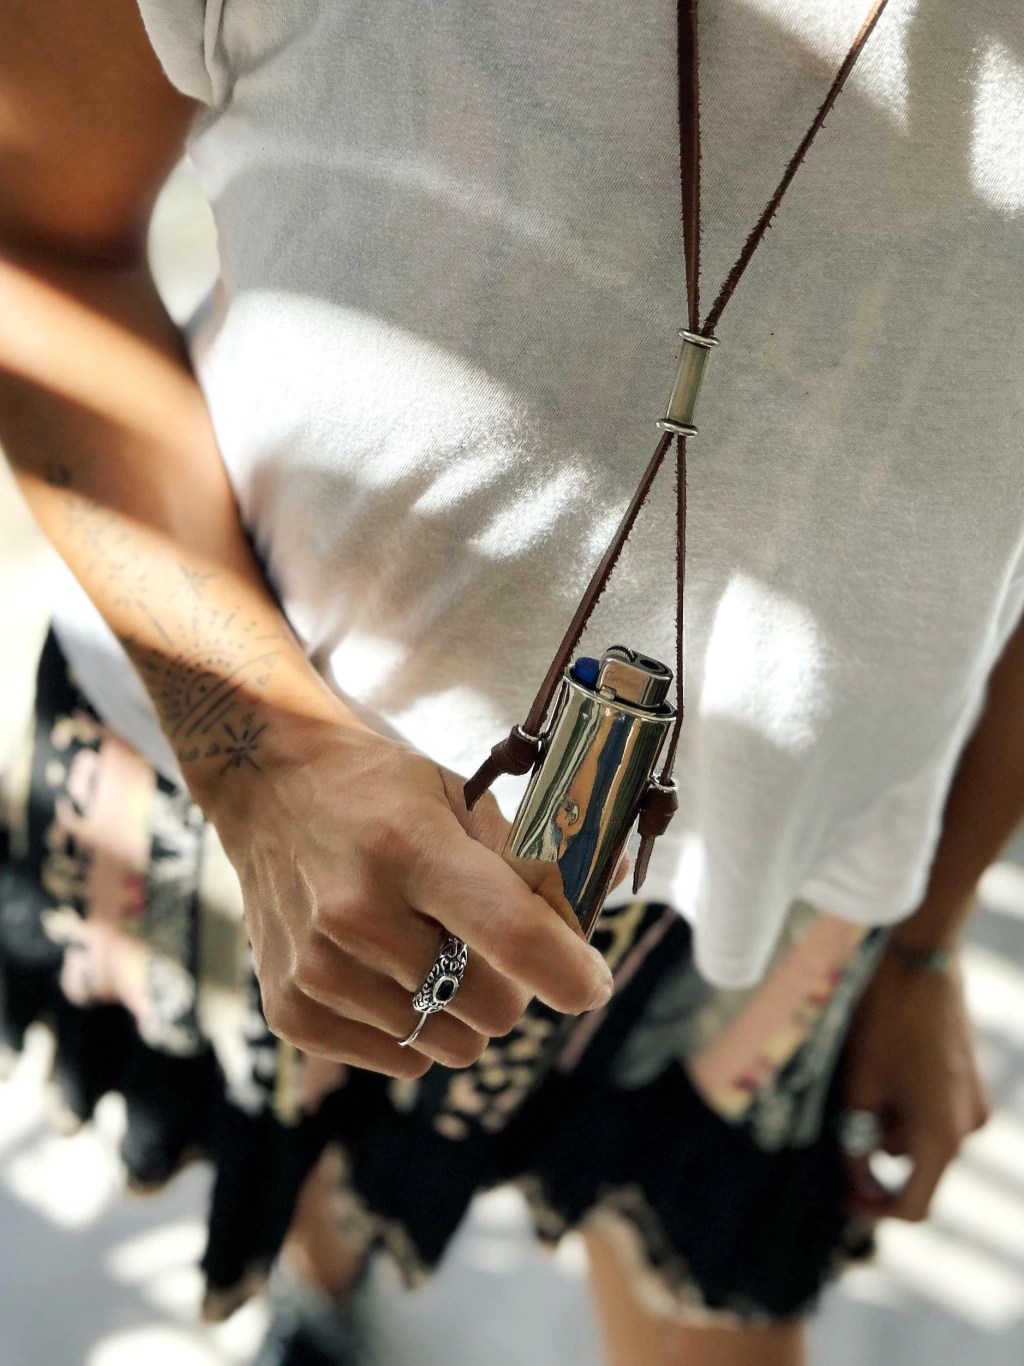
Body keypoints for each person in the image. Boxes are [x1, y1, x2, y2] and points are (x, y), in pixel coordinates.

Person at [1, 1, 1022, 1363]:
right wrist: (269, 763)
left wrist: (924, 935)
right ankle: (319, 1298)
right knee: (296, 1136)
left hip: (787, 885)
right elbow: (34, 232)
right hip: (247, 758)